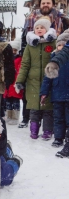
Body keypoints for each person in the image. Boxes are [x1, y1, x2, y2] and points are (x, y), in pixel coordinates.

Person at [19, 0, 69, 128]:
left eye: (48, 2)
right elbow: (24, 35)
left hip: (56, 58)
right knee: (31, 96)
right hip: (34, 62)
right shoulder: (31, 17)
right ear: (39, 5)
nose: (45, 5)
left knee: (51, 99)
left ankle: (52, 127)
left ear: (52, 4)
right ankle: (27, 119)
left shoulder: (61, 18)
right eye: (43, 3)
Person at [15, 17, 57, 140]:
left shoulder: (53, 43)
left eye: (42, 27)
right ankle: (33, 130)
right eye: (37, 28)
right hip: (32, 81)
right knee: (34, 107)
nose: (39, 29)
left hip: (49, 80)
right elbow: (25, 64)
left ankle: (47, 131)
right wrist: (20, 80)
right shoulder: (30, 45)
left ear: (47, 29)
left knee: (48, 108)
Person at [43, 30, 69, 158]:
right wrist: (55, 62)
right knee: (60, 118)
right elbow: (65, 51)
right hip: (60, 93)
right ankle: (63, 142)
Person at [3, 38, 23, 125]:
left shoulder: (19, 59)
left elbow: (19, 70)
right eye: (12, 50)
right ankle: (8, 116)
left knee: (15, 101)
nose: (13, 51)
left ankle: (15, 117)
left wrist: (18, 81)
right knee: (8, 101)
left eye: (15, 50)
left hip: (14, 82)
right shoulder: (7, 59)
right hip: (8, 82)